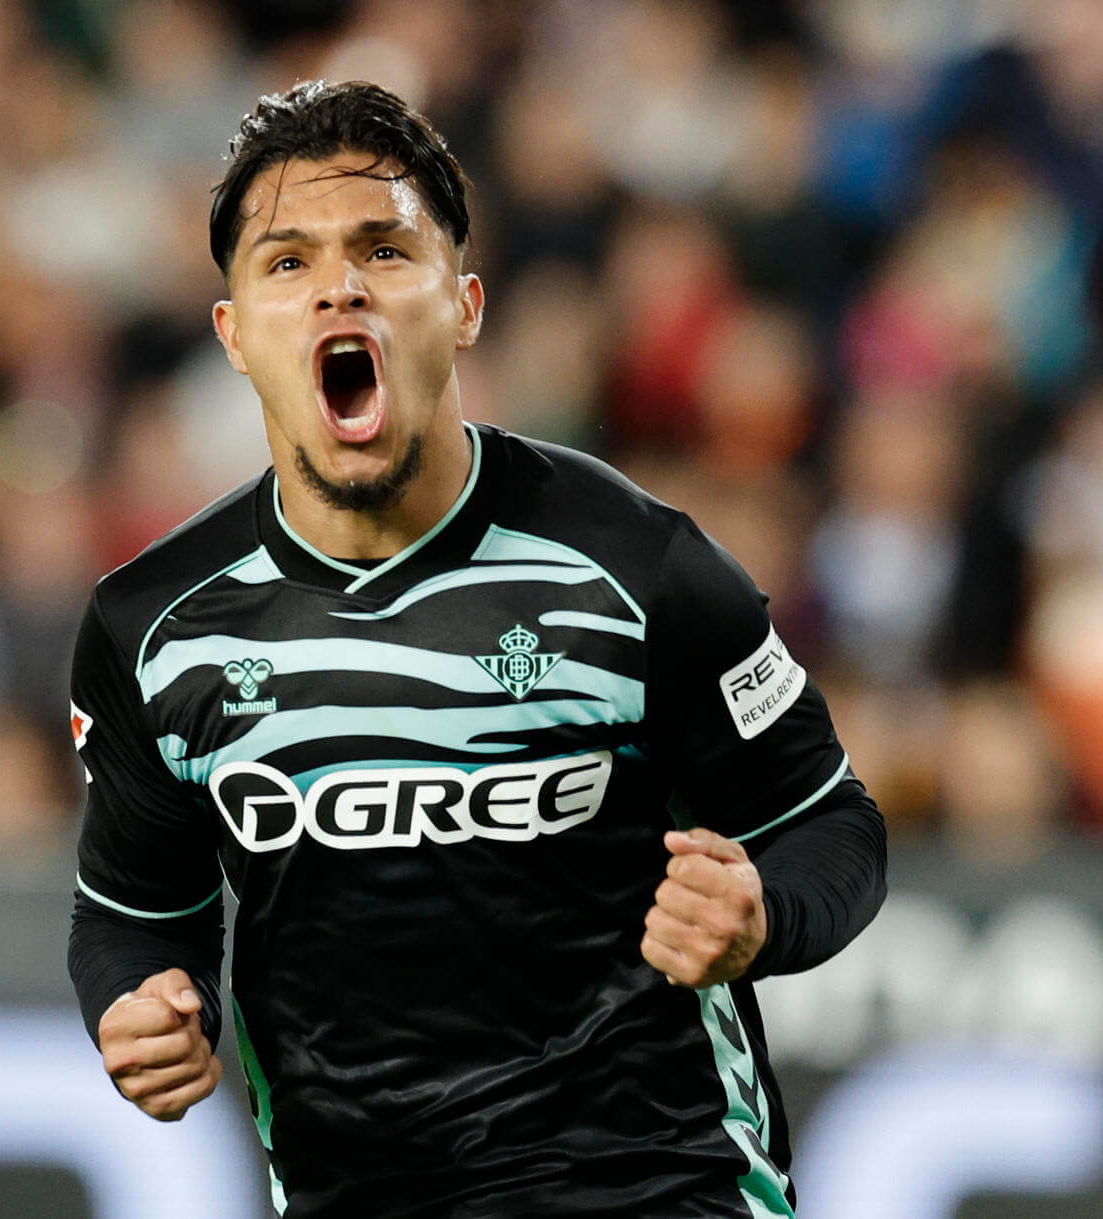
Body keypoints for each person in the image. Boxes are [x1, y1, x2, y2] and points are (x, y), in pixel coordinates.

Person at [66, 79, 887, 1219]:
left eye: (384, 249)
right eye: (288, 261)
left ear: (463, 305)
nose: (340, 286)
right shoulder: (154, 627)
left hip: (653, 1186)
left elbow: (830, 823)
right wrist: (140, 1002)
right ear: (234, 333)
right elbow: (132, 910)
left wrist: (763, 910)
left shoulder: (639, 567)